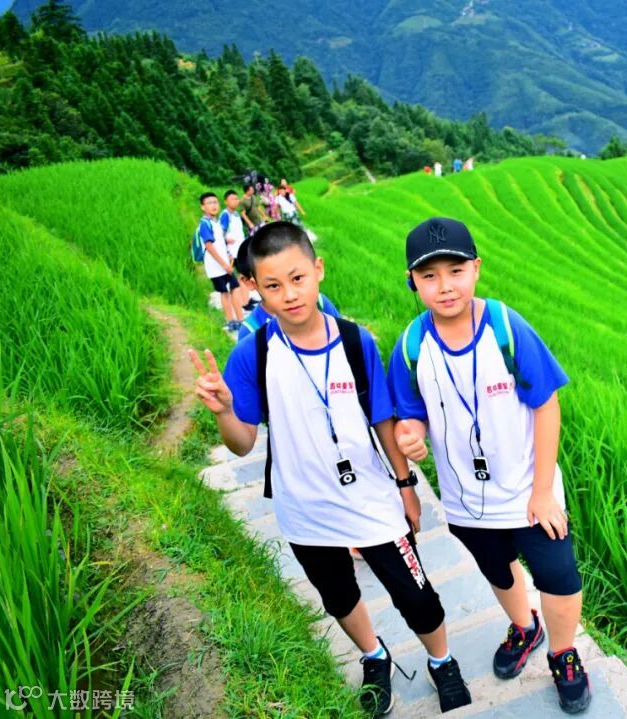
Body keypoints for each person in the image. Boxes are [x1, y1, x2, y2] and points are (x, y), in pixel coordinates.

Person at [189, 222, 472, 717]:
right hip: (305, 508)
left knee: (417, 596)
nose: (288, 294)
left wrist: (406, 485)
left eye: (297, 278)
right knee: (338, 597)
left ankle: (441, 660)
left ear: (317, 270)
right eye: (273, 285)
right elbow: (242, 443)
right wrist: (224, 411)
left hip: (371, 499)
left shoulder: (355, 342)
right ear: (254, 288)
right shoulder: (253, 353)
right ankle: (374, 656)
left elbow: (383, 419)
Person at [387, 218, 591, 714]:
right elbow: (409, 413)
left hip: (528, 491)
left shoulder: (505, 327)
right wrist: (410, 435)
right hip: (465, 500)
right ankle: (525, 627)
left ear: (476, 269)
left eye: (455, 271)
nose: (445, 286)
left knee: (558, 575)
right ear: (413, 282)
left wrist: (542, 491)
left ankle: (564, 654)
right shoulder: (411, 347)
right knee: (498, 571)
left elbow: (546, 405)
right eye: (429, 276)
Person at [232, 240, 339, 342]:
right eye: (273, 285)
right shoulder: (251, 330)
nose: (290, 295)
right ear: (249, 282)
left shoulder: (318, 302)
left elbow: (342, 336)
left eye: (296, 278)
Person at [198, 192, 243, 333]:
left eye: (215, 202)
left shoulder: (215, 222)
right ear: (203, 207)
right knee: (225, 293)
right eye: (209, 203)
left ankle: (240, 320)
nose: (214, 205)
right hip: (216, 267)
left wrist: (227, 254)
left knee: (234, 288)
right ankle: (231, 321)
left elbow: (219, 242)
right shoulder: (204, 223)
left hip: (224, 264)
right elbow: (209, 246)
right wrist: (224, 264)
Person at [220, 190, 252, 312]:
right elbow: (220, 233)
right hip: (232, 251)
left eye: (236, 198)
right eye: (232, 199)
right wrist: (226, 240)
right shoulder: (225, 215)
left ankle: (246, 300)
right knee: (239, 276)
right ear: (226, 201)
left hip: (240, 249)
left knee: (244, 274)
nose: (235, 201)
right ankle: (243, 302)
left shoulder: (236, 214)